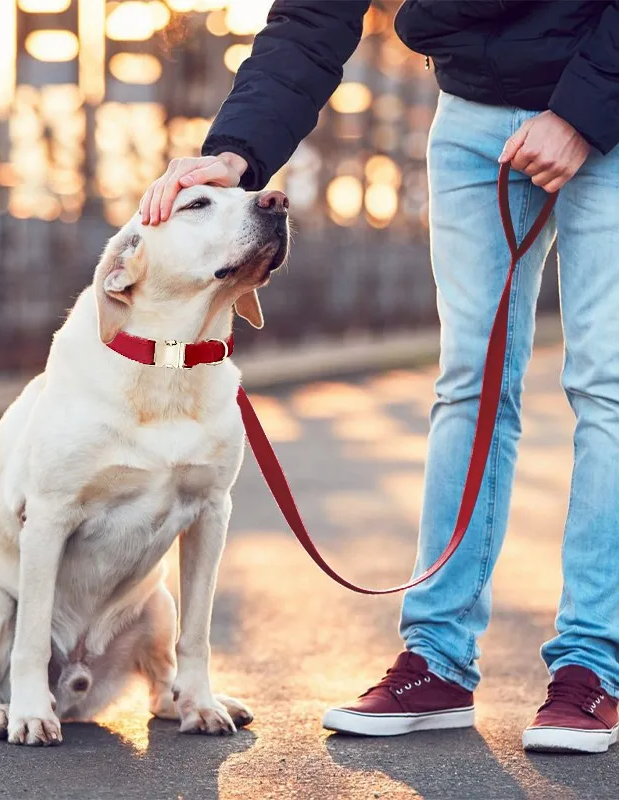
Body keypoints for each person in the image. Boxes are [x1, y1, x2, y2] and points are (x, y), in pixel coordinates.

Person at [140, 1, 619, 754]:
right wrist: (236, 152)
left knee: (607, 386)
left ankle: (594, 668)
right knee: (471, 383)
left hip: (607, 104)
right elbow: (310, 17)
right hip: (472, 113)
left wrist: (587, 112)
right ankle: (438, 658)